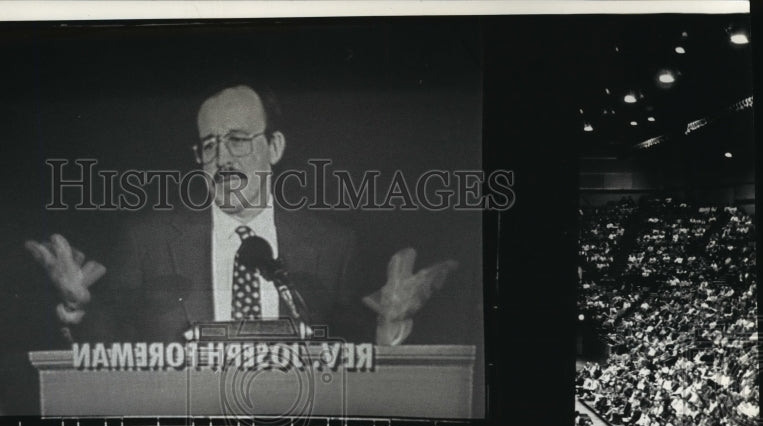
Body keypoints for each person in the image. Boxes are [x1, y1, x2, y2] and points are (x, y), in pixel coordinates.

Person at [25, 83, 455, 346]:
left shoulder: (333, 246)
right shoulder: (147, 242)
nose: (223, 158)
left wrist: (388, 327)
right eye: (210, 145)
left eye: (238, 139)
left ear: (275, 147)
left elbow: (356, 357)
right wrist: (75, 308)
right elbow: (109, 346)